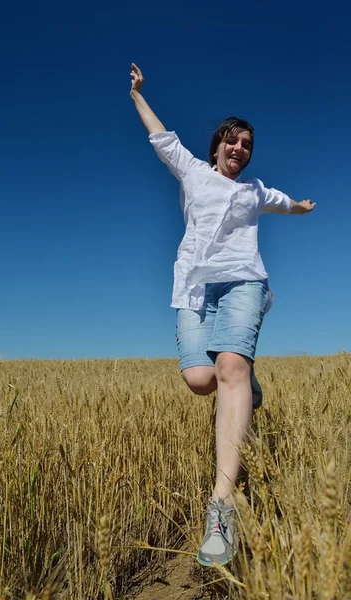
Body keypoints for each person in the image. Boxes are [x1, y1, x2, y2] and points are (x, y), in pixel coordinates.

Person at [129, 63, 315, 566]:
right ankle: (248, 387)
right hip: (193, 289)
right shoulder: (192, 171)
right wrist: (137, 94)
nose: (240, 150)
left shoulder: (255, 191)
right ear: (217, 147)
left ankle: (221, 507)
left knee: (230, 366)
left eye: (247, 145)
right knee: (199, 379)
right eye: (233, 142)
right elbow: (161, 137)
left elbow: (285, 204)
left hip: (244, 282)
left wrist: (301, 205)